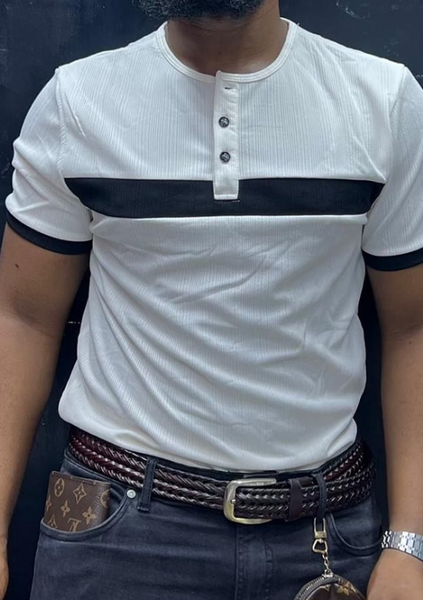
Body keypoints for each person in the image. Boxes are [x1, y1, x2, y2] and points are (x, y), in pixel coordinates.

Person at [1, 0, 423, 597]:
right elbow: (22, 318)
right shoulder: (78, 102)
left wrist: (410, 543)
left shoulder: (383, 101)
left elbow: (412, 327)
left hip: (324, 541)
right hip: (117, 536)